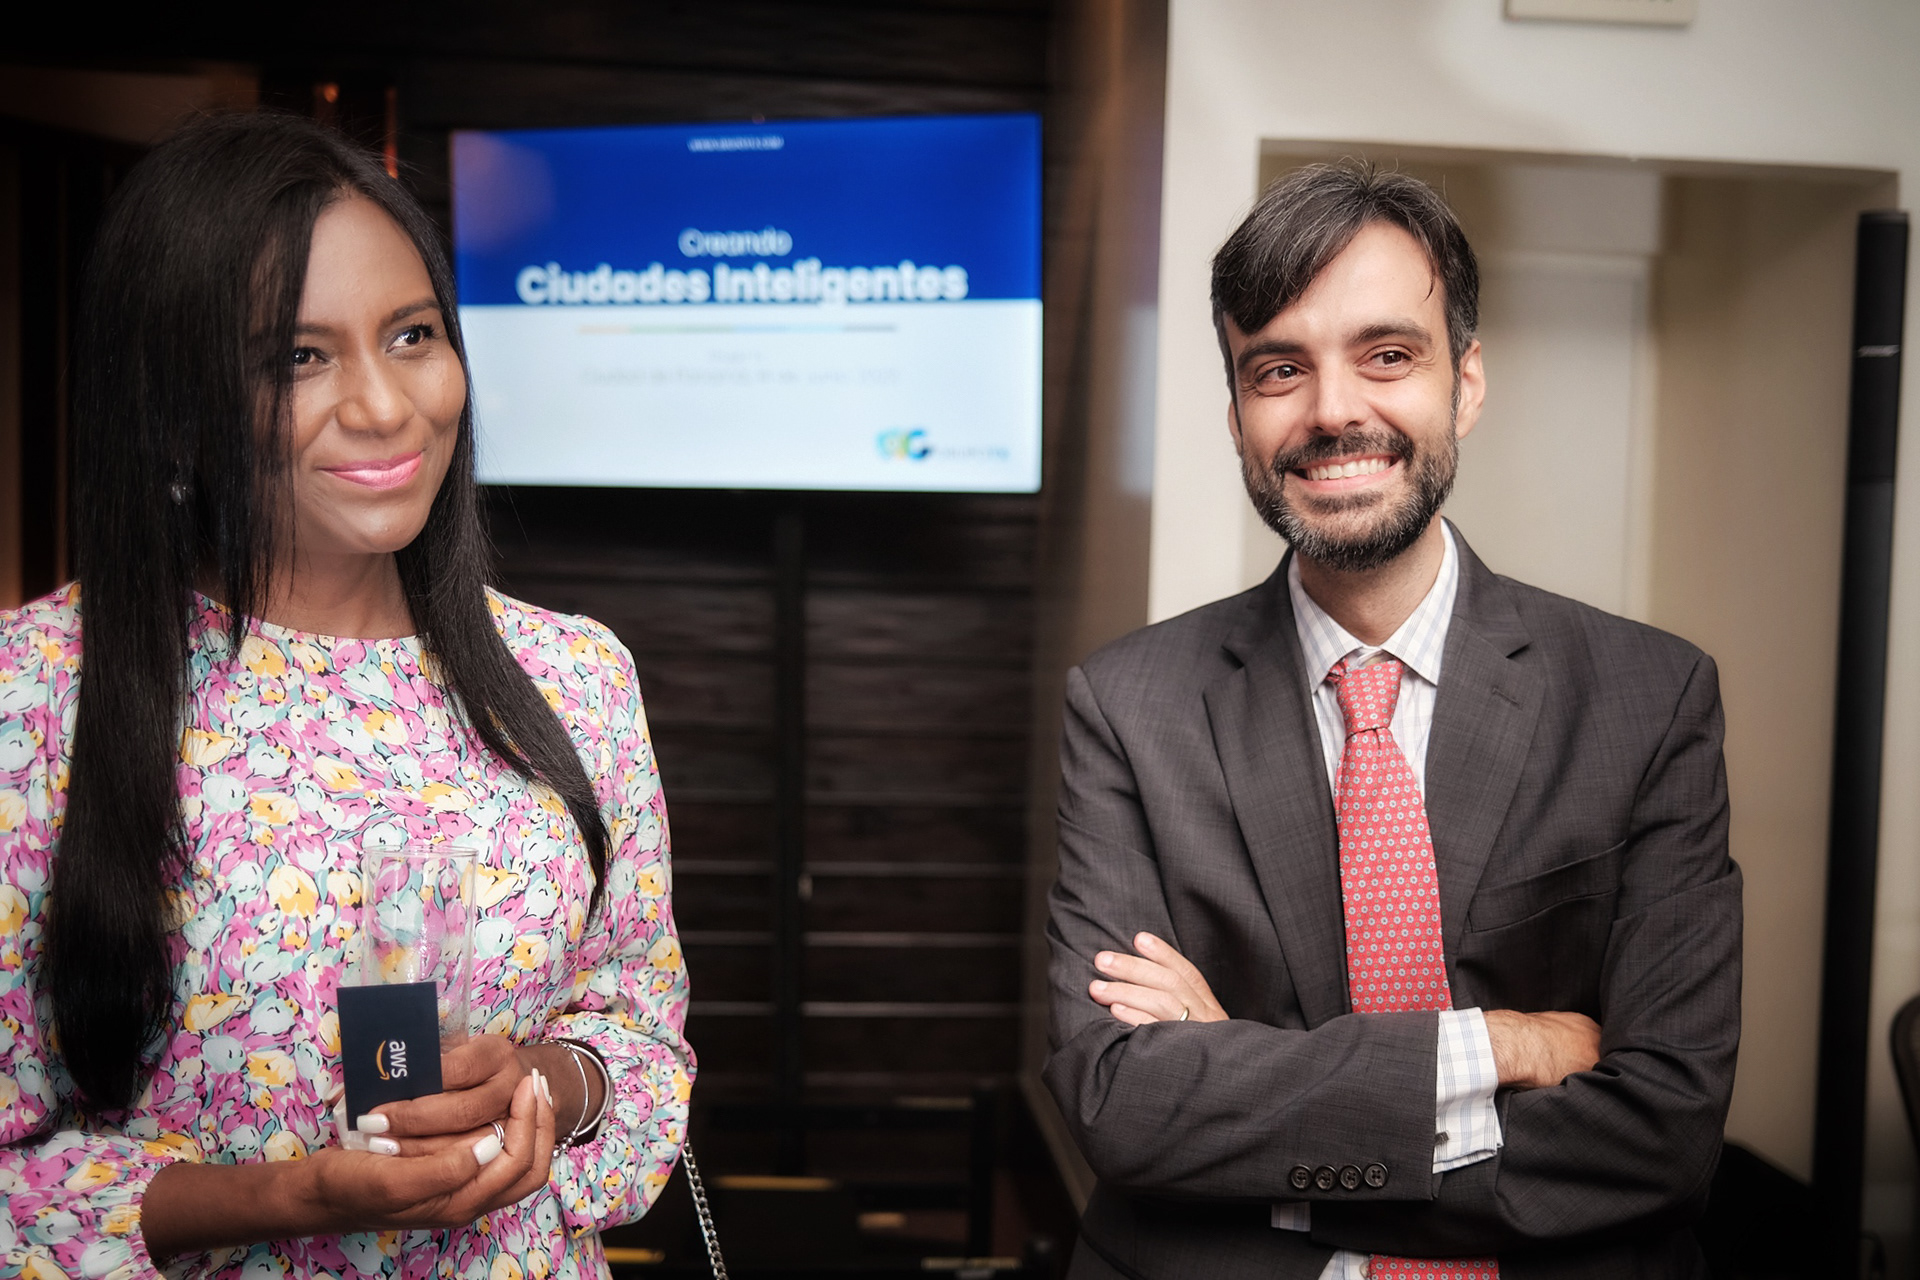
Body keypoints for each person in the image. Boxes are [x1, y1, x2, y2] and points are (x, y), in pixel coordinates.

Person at [0, 113, 692, 1278]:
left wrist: (544, 1082)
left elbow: (636, 1033)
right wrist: (288, 1194)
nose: (384, 406)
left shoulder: (574, 677)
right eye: (297, 358)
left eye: (412, 334)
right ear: (173, 408)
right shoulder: (34, 697)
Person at [1043, 163, 1740, 1279]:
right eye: (1280, 369)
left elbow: (1662, 1131)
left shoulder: (1649, 696)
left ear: (1465, 383)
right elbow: (1124, 1103)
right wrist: (1501, 1043)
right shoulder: (1128, 705)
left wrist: (1271, 1155)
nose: (1332, 411)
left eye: (1387, 355)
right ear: (1236, 415)